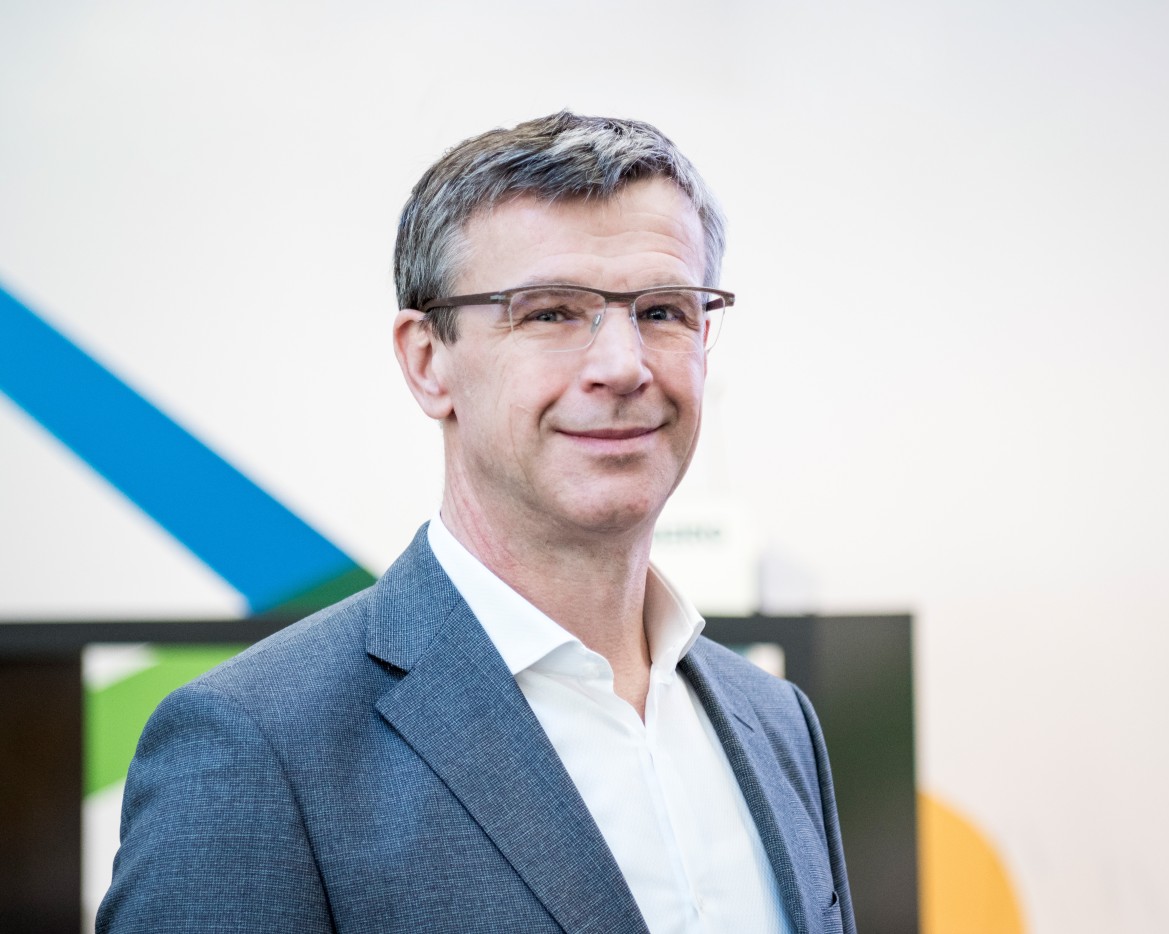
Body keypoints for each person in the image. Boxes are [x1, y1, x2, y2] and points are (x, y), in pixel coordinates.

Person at [97, 111, 854, 933]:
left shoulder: (776, 722)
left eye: (664, 310)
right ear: (428, 361)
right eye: (551, 312)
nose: (623, 366)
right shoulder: (253, 748)